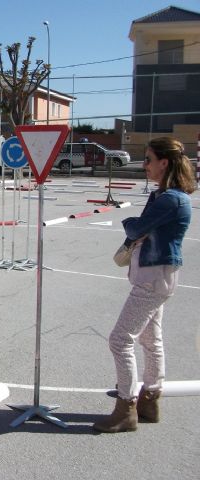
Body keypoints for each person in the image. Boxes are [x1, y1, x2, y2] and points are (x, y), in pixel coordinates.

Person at [93, 137, 196, 433]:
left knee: (120, 340)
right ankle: (150, 399)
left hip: (153, 277)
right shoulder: (166, 196)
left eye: (149, 159)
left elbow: (137, 228)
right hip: (158, 275)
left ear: (165, 162)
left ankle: (127, 407)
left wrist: (128, 222)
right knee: (151, 339)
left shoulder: (170, 199)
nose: (145, 165)